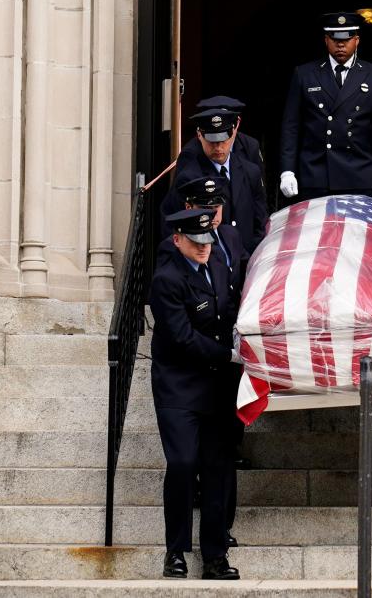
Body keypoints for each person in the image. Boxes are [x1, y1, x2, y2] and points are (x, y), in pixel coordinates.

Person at [148, 209, 243, 580]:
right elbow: (183, 338)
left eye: (206, 241)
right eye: (195, 241)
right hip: (179, 385)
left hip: (218, 385)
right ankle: (176, 550)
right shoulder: (166, 280)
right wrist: (227, 354)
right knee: (184, 463)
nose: (203, 248)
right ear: (177, 240)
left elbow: (230, 312)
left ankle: (215, 556)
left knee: (218, 469)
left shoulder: (218, 267)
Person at [279, 12, 372, 201]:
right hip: (316, 174)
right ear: (326, 40)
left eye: (347, 39)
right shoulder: (305, 74)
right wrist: (287, 171)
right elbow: (291, 127)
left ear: (357, 40)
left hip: (360, 174)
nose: (340, 44)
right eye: (334, 39)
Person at [164, 108, 268, 256]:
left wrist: (250, 256)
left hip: (246, 261)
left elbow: (260, 219)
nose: (218, 147)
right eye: (212, 141)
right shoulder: (189, 177)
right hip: (210, 264)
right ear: (200, 135)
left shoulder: (250, 172)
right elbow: (174, 226)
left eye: (223, 140)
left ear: (233, 133)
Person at [180, 95, 264, 169]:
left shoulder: (250, 147)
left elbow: (258, 184)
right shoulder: (190, 153)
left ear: (237, 123)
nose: (218, 145)